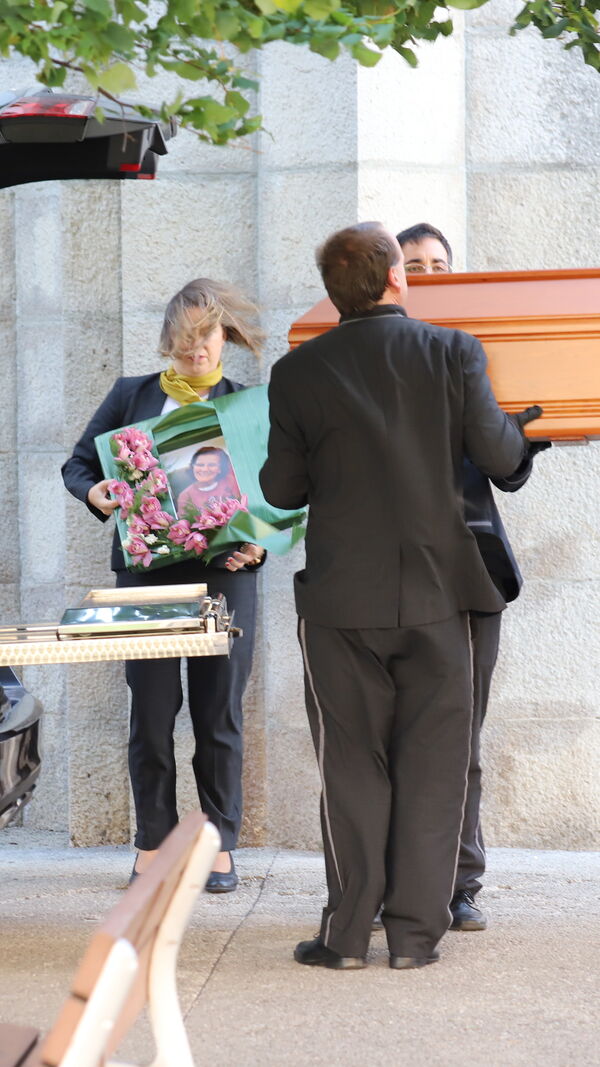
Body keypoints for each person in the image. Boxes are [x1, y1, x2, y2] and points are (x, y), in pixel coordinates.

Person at [260, 222, 533, 971]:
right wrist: (525, 433)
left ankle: (346, 936)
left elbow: (280, 490)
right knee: (434, 767)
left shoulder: (298, 373)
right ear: (396, 279)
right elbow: (502, 458)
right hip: (443, 596)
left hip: (342, 605)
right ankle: (415, 938)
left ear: (333, 293)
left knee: (351, 764)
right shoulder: (454, 352)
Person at [62, 278, 266, 892]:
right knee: (150, 713)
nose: (194, 349)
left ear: (224, 333)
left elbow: (277, 492)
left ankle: (217, 844)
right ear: (167, 342)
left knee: (218, 712)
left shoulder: (246, 404)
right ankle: (153, 841)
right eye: (182, 339)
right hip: (144, 578)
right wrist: (97, 492)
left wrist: (260, 540)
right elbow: (78, 464)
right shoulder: (132, 396)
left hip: (224, 577)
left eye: (205, 334)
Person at [394, 223, 550, 931]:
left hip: (470, 570)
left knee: (462, 736)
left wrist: (521, 437)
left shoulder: (476, 352)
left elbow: (506, 470)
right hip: (391, 570)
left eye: (439, 265)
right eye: (415, 266)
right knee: (393, 735)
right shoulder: (380, 359)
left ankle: (461, 883)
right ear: (393, 279)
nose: (428, 274)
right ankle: (398, 883)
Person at [176, 446, 240, 518]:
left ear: (220, 469)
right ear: (193, 467)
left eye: (211, 465)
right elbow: (187, 523)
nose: (205, 469)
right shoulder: (185, 496)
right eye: (200, 465)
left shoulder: (230, 481)